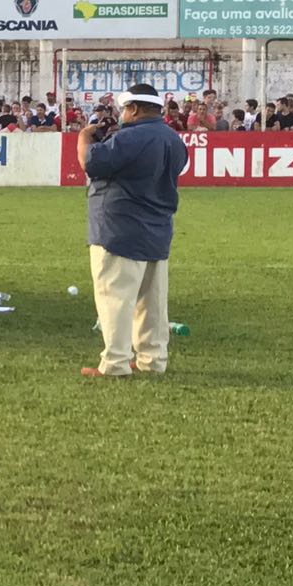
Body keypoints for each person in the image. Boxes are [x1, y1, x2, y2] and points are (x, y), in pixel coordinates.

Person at [78, 83, 188, 378]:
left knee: (115, 298)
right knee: (152, 303)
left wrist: (84, 137)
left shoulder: (130, 137)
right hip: (157, 228)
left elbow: (91, 162)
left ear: (135, 109)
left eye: (125, 108)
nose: (122, 114)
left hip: (120, 228)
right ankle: (153, 360)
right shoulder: (173, 140)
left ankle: (115, 363)